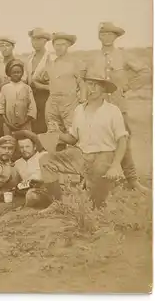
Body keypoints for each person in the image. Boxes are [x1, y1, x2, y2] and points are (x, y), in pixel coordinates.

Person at [39, 69, 129, 209]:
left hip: (103, 157)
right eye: (89, 84)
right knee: (45, 160)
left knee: (95, 204)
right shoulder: (79, 110)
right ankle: (57, 203)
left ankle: (102, 190)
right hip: (81, 156)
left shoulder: (112, 111)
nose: (91, 89)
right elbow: (73, 139)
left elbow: (122, 140)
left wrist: (116, 164)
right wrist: (57, 132)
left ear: (103, 88)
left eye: (95, 85)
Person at [86, 22, 150, 193]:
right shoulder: (93, 58)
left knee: (124, 141)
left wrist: (127, 86)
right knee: (97, 141)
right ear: (99, 36)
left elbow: (145, 72)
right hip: (98, 107)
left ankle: (132, 180)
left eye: (110, 34)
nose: (107, 37)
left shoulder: (124, 55)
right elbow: (84, 79)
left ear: (115, 37)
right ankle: (98, 180)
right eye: (104, 34)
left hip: (118, 105)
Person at [37, 32, 86, 135]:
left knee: (72, 132)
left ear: (68, 45)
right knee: (53, 131)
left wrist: (82, 101)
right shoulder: (51, 64)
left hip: (70, 102)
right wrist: (48, 88)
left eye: (63, 44)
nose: (59, 48)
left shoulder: (76, 63)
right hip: (52, 103)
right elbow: (36, 80)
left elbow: (82, 84)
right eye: (57, 45)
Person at [12, 130, 55, 208]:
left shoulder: (44, 156)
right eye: (21, 147)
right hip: (26, 192)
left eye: (27, 146)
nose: (24, 149)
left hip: (46, 191)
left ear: (35, 147)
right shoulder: (17, 164)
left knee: (32, 195)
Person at [25, 28, 54, 134]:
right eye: (33, 39)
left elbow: (55, 85)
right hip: (31, 97)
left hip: (45, 97)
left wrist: (39, 86)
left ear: (45, 41)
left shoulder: (50, 58)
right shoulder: (29, 58)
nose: (36, 42)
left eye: (39, 39)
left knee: (44, 124)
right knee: (32, 123)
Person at [0, 59, 37, 135]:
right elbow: (0, 108)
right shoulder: (5, 88)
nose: (16, 74)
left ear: (22, 73)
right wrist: (8, 124)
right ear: (9, 73)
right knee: (10, 143)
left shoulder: (27, 88)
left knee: (24, 142)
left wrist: (23, 122)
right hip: (9, 125)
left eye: (18, 72)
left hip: (25, 124)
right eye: (13, 72)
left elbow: (32, 108)